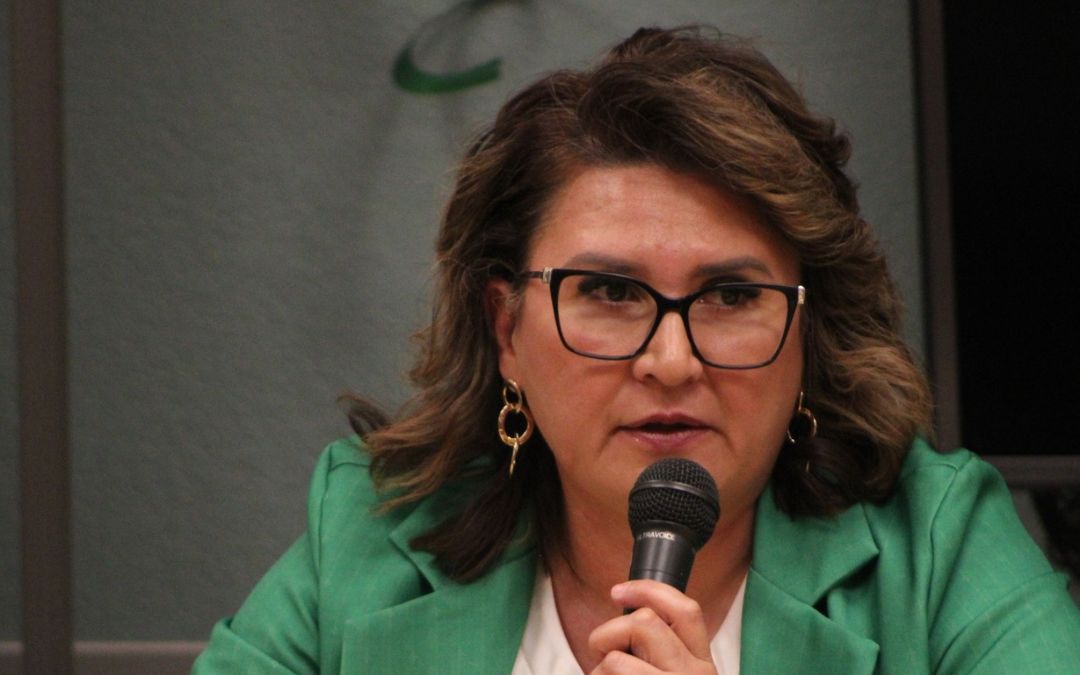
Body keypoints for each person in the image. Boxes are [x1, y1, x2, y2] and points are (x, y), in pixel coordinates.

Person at [193, 26, 1080, 674]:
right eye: (612, 293)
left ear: (806, 335)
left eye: (731, 296)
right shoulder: (371, 535)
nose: (671, 360)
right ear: (507, 332)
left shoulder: (938, 548)